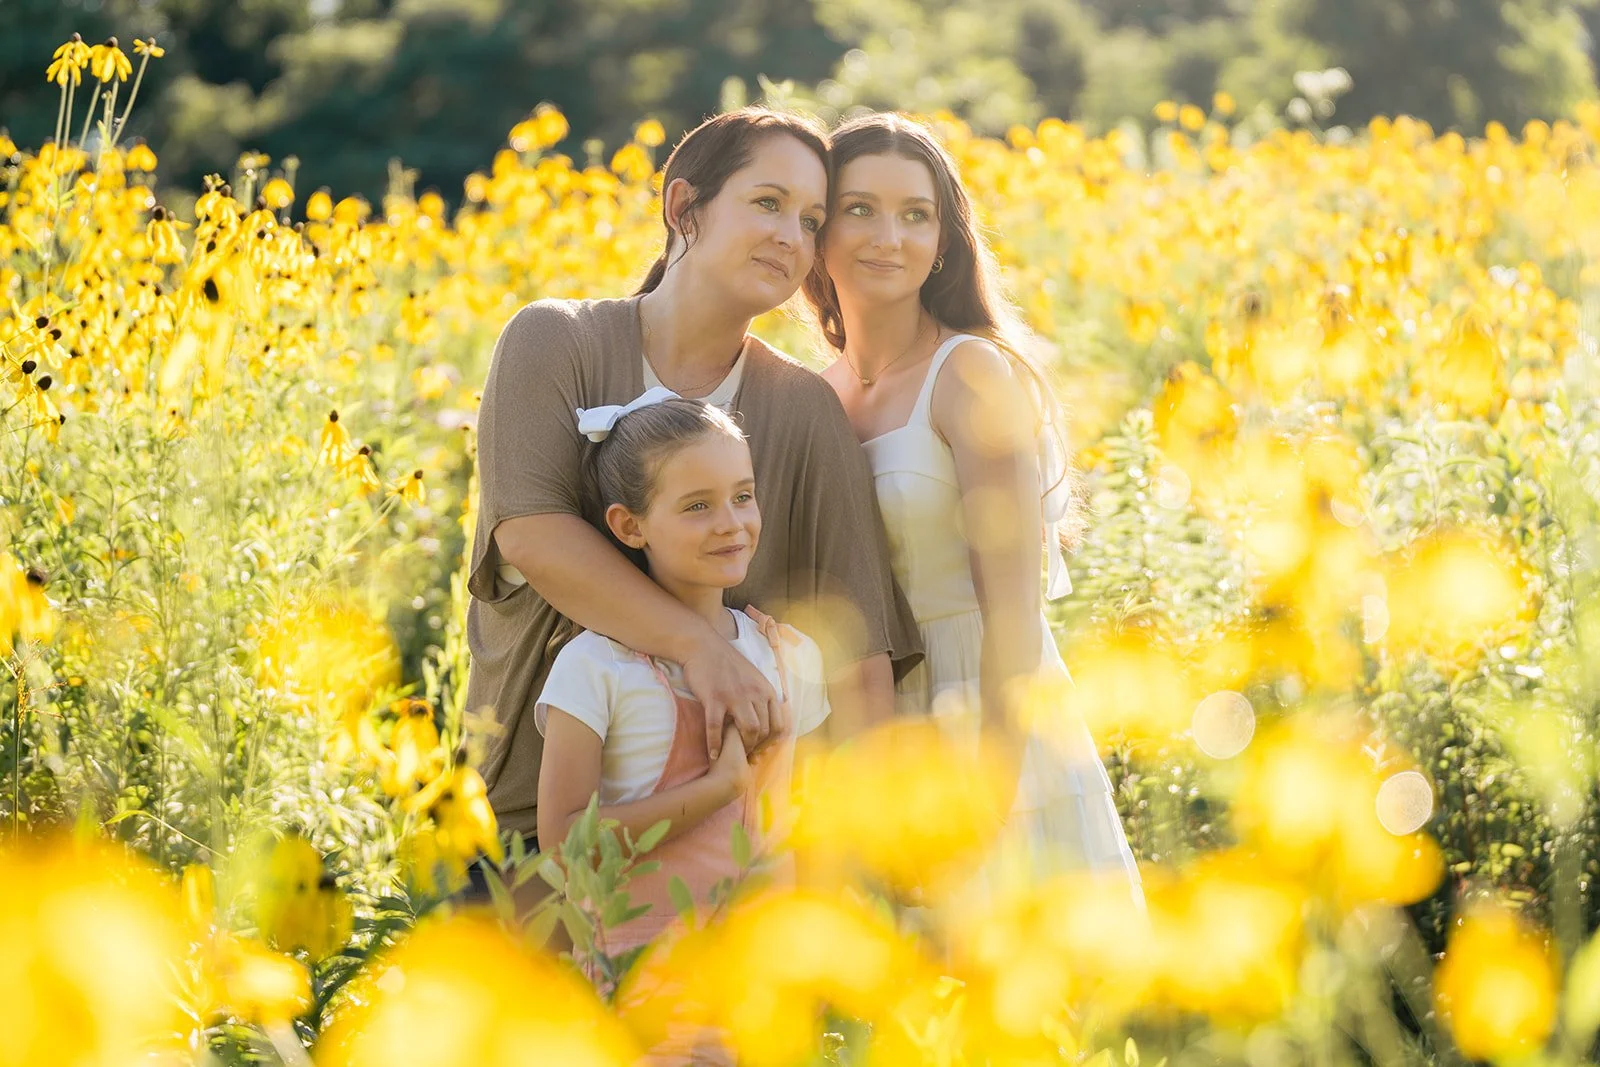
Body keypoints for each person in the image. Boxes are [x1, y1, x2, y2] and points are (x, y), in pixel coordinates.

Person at [465, 108, 919, 872]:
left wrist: (852, 869)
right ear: (683, 206)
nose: (792, 236)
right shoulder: (556, 341)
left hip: (727, 864)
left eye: (811, 221)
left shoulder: (803, 408)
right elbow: (535, 535)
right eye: (768, 202)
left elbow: (861, 654)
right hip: (531, 830)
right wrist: (702, 650)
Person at [803, 113, 1141, 895]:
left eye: (915, 215)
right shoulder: (816, 395)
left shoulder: (971, 374)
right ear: (820, 230)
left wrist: (993, 783)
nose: (888, 237)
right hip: (872, 721)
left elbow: (1016, 613)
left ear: (944, 243)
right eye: (859, 209)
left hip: (986, 703)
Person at [535, 393, 828, 965]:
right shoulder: (595, 667)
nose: (731, 524)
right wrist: (716, 790)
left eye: (743, 496)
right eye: (697, 506)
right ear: (630, 526)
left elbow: (808, 830)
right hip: (640, 982)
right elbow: (565, 848)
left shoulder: (792, 656)